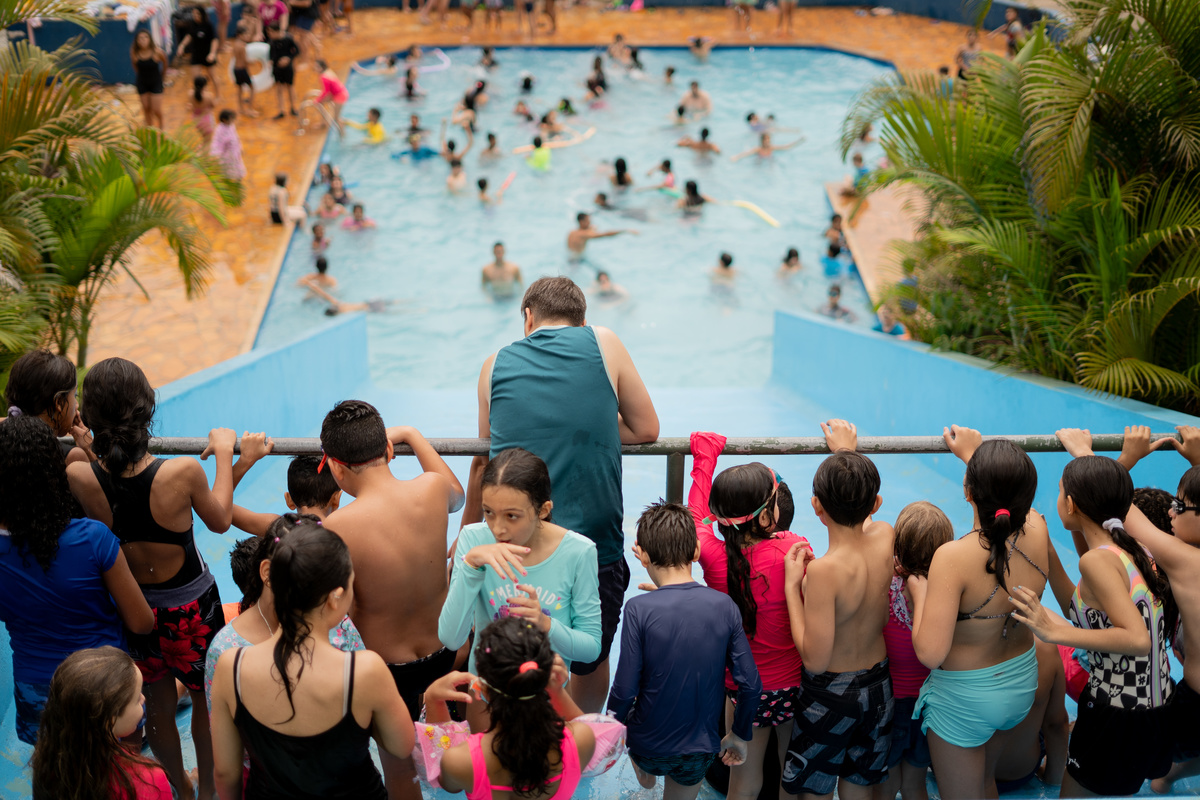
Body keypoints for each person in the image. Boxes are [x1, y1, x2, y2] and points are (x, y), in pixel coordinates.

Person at [66, 358, 267, 800]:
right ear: (148, 409)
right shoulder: (180, 472)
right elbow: (219, 519)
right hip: (191, 609)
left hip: (136, 609)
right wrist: (226, 452)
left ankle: (180, 788)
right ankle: (210, 789)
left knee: (155, 706)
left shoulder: (80, 474)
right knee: (205, 700)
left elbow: (113, 483)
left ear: (90, 416)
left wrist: (88, 446)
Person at [465, 277, 659, 713]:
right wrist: (596, 429)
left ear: (527, 318)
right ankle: (582, 733)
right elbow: (647, 428)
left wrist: (465, 537)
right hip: (594, 545)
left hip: (512, 548)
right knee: (590, 657)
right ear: (582, 322)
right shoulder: (604, 342)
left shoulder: (494, 364)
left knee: (512, 654)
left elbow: (486, 455)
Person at [318, 402, 464, 799]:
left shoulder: (336, 527)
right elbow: (458, 497)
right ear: (387, 449)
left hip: (388, 671)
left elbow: (337, 610)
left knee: (400, 769)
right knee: (457, 759)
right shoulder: (432, 488)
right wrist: (412, 434)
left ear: (336, 468)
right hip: (446, 652)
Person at [1008, 452, 1176, 796]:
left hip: (1118, 713)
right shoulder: (1131, 549)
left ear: (1071, 504)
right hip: (1152, 709)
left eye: (1060, 491)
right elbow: (1082, 609)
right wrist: (1047, 548)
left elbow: (1137, 639)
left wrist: (1054, 632)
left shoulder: (1097, 562)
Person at [210, 522, 414, 799]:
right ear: (335, 598)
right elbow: (401, 746)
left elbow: (225, 774)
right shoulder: (364, 671)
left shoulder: (230, 668)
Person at [906, 427, 1050, 800]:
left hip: (966, 701)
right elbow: (1006, 502)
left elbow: (931, 654)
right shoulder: (1038, 528)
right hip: (1020, 683)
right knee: (986, 782)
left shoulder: (952, 557)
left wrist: (920, 595)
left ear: (968, 492)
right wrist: (974, 458)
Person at [0, 413, 153, 746]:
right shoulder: (92, 538)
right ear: (54, 474)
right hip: (106, 689)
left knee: (59, 772)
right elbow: (142, 623)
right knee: (123, 773)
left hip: (38, 694)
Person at [1067, 426, 1200, 795]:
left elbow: (1115, 506)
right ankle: (1168, 776)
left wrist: (1089, 455)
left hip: (1185, 706)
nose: (1172, 512)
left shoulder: (1185, 563)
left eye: (1180, 506)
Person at [686, 432, 809, 800]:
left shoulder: (712, 557)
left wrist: (705, 455)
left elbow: (695, 516)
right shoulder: (794, 548)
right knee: (791, 776)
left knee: (744, 781)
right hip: (792, 686)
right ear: (768, 516)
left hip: (743, 692)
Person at [608, 501, 761, 800]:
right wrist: (739, 735)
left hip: (647, 746)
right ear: (696, 551)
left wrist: (610, 731)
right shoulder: (724, 606)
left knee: (642, 756)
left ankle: (646, 777)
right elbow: (751, 685)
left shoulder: (638, 609)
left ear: (644, 556)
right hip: (699, 748)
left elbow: (624, 691)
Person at [439, 448, 602, 726]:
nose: (497, 529)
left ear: (543, 510)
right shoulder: (474, 540)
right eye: (489, 513)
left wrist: (546, 624)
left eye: (512, 516)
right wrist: (471, 567)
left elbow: (590, 648)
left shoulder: (578, 552)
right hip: (488, 696)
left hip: (546, 699)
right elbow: (451, 639)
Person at [781, 420, 895, 800]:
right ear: (875, 504)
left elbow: (814, 660)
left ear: (816, 506)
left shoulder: (824, 572)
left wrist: (793, 588)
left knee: (815, 787)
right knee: (859, 782)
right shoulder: (885, 536)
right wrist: (847, 454)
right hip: (879, 685)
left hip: (831, 693)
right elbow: (865, 517)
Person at [204, 514, 364, 711]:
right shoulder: (226, 652)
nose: (318, 594)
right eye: (303, 574)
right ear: (267, 572)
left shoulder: (334, 617)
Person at [425, 618, 596, 797]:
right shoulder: (582, 740)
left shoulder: (460, 762)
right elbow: (594, 729)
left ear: (483, 690)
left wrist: (433, 699)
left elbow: (446, 783)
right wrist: (557, 691)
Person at [875, 501, 954, 800]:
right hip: (930, 706)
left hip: (891, 704)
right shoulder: (948, 597)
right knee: (915, 785)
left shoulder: (885, 589)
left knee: (886, 784)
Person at [31, 647, 172, 800]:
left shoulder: (47, 765)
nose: (143, 699)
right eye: (137, 698)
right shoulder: (150, 779)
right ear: (110, 721)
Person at [990, 639, 1069, 794]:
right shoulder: (1045, 648)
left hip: (959, 775)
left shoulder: (950, 652)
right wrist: (1054, 780)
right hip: (1019, 773)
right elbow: (1056, 725)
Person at [4, 348, 93, 465]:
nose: (77, 405)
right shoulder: (73, 457)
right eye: (75, 395)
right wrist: (90, 449)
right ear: (59, 402)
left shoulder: (6, 440)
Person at [232, 454, 343, 536]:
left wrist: (246, 459)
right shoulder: (343, 531)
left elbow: (224, 506)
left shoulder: (278, 527)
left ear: (289, 500)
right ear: (336, 499)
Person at [177, 6, 219, 97]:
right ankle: (199, 98)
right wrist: (182, 45)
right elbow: (189, 36)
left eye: (197, 14)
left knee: (213, 76)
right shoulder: (192, 24)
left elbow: (214, 40)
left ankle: (218, 95)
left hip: (207, 54)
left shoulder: (208, 25)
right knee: (196, 79)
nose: (195, 16)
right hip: (196, 55)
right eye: (194, 14)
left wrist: (212, 53)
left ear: (202, 15)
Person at [130, 30, 167, 128]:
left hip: (156, 82)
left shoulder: (157, 52)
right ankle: (150, 130)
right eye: (140, 38)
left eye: (145, 37)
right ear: (137, 41)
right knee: (146, 108)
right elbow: (135, 66)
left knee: (156, 109)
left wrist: (163, 75)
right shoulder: (134, 52)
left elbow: (165, 62)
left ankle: (161, 127)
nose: (143, 40)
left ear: (150, 39)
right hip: (142, 82)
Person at [567, 212, 637, 256]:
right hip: (576, 260)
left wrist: (591, 229)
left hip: (571, 255)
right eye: (588, 221)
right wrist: (625, 230)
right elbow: (606, 234)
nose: (590, 222)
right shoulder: (585, 234)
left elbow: (587, 231)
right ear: (581, 222)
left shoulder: (572, 232)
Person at [267, 24, 299, 118]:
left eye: (271, 32)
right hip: (277, 69)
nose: (269, 34)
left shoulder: (288, 39)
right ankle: (281, 110)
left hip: (287, 68)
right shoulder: (272, 41)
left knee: (290, 87)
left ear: (277, 31)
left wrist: (288, 59)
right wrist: (271, 61)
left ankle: (293, 108)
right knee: (279, 89)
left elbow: (297, 51)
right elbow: (271, 54)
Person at [310, 59, 348, 133]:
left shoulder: (323, 77)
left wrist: (317, 100)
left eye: (317, 67)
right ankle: (323, 123)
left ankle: (342, 133)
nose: (315, 69)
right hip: (340, 92)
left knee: (336, 118)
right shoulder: (328, 71)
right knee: (320, 103)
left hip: (339, 96)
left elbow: (325, 92)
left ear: (322, 67)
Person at [230, 23, 258, 118]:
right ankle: (250, 109)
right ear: (240, 35)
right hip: (242, 70)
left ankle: (241, 108)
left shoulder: (235, 44)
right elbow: (245, 61)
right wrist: (253, 62)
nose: (247, 36)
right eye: (245, 34)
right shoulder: (243, 46)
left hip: (236, 69)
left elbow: (235, 58)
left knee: (239, 89)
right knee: (252, 88)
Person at [210, 110, 245, 181]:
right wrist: (217, 154)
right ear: (224, 120)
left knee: (238, 167)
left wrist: (240, 148)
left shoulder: (232, 126)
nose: (233, 120)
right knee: (227, 170)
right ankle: (226, 182)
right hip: (227, 154)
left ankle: (238, 181)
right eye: (231, 119)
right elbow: (217, 142)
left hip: (235, 152)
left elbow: (236, 137)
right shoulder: (219, 130)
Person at [731, 132, 803, 162]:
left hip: (769, 161)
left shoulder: (771, 148)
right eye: (765, 140)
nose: (767, 141)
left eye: (768, 139)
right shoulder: (758, 149)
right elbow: (746, 153)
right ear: (762, 141)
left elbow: (786, 147)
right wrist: (736, 157)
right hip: (759, 161)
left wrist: (799, 141)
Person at [190, 76, 216, 146]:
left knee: (204, 139)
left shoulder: (190, 94)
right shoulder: (209, 96)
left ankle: (201, 150)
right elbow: (213, 105)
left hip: (196, 120)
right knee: (208, 142)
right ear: (204, 85)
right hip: (206, 120)